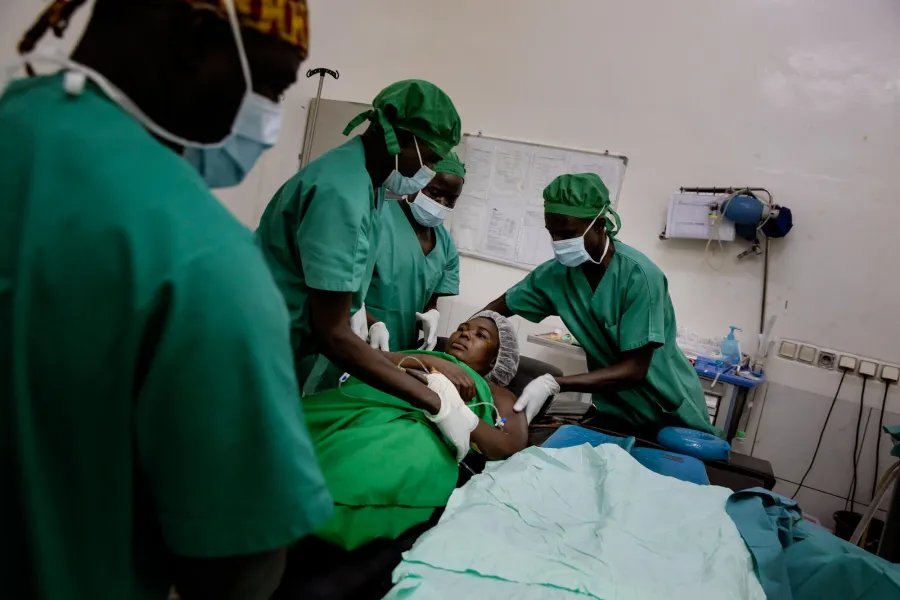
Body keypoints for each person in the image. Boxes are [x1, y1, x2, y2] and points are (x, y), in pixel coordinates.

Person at [0, 1, 332, 599]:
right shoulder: (201, 260)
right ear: (197, 39)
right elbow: (236, 568)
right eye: (273, 86)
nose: (269, 120)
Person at [256, 80, 478, 453]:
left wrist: (367, 324)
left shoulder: (370, 185)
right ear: (401, 138)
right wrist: (436, 403)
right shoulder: (340, 192)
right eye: (432, 157)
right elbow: (332, 333)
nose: (430, 171)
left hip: (295, 349)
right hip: (265, 347)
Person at [483, 173, 717, 438]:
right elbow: (495, 309)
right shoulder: (555, 275)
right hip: (615, 408)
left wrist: (554, 384)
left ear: (600, 225)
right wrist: (460, 344)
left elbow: (634, 370)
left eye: (568, 233)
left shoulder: (639, 277)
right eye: (552, 233)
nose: (559, 243)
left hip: (666, 410)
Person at [299, 311, 526, 552]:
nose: (465, 334)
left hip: (419, 427)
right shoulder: (417, 356)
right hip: (362, 402)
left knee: (360, 468)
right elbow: (362, 358)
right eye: (462, 327)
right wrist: (428, 362)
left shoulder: (496, 394)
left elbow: (510, 447)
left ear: (494, 360)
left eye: (480, 335)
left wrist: (459, 413)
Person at [365, 152, 465, 353]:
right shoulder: (377, 216)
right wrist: (371, 324)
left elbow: (428, 303)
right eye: (434, 192)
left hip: (403, 350)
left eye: (451, 199)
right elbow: (342, 289)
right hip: (357, 340)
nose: (441, 204)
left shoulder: (445, 245)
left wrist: (431, 316)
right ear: (416, 183)